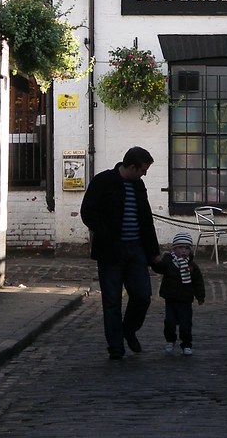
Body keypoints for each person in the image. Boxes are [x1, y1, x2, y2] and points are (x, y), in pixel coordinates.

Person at [80, 146, 160, 359]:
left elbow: (146, 220)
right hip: (110, 251)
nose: (144, 174)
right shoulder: (103, 182)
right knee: (112, 301)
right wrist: (106, 234)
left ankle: (129, 329)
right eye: (143, 169)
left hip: (136, 249)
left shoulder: (138, 186)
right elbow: (88, 212)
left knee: (143, 296)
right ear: (132, 167)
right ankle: (115, 347)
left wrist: (153, 252)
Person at [152, 232, 205, 356]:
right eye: (181, 248)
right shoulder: (168, 262)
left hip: (185, 299)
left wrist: (200, 296)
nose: (184, 251)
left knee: (185, 324)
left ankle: (186, 344)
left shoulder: (191, 265)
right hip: (170, 298)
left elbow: (198, 281)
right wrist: (155, 262)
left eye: (187, 248)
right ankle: (170, 340)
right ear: (174, 249)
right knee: (169, 322)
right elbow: (160, 268)